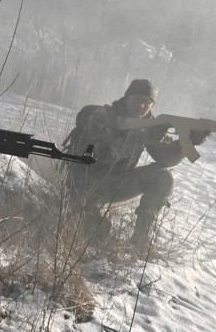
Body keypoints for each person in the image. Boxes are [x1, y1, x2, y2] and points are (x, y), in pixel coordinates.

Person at [60, 79, 208, 256]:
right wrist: (139, 136)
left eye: (148, 102)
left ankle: (140, 242)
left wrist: (188, 142)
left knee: (163, 177)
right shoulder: (102, 116)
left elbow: (165, 159)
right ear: (127, 98)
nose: (142, 106)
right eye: (138, 99)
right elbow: (101, 156)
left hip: (116, 184)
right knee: (96, 235)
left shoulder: (150, 125)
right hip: (85, 185)